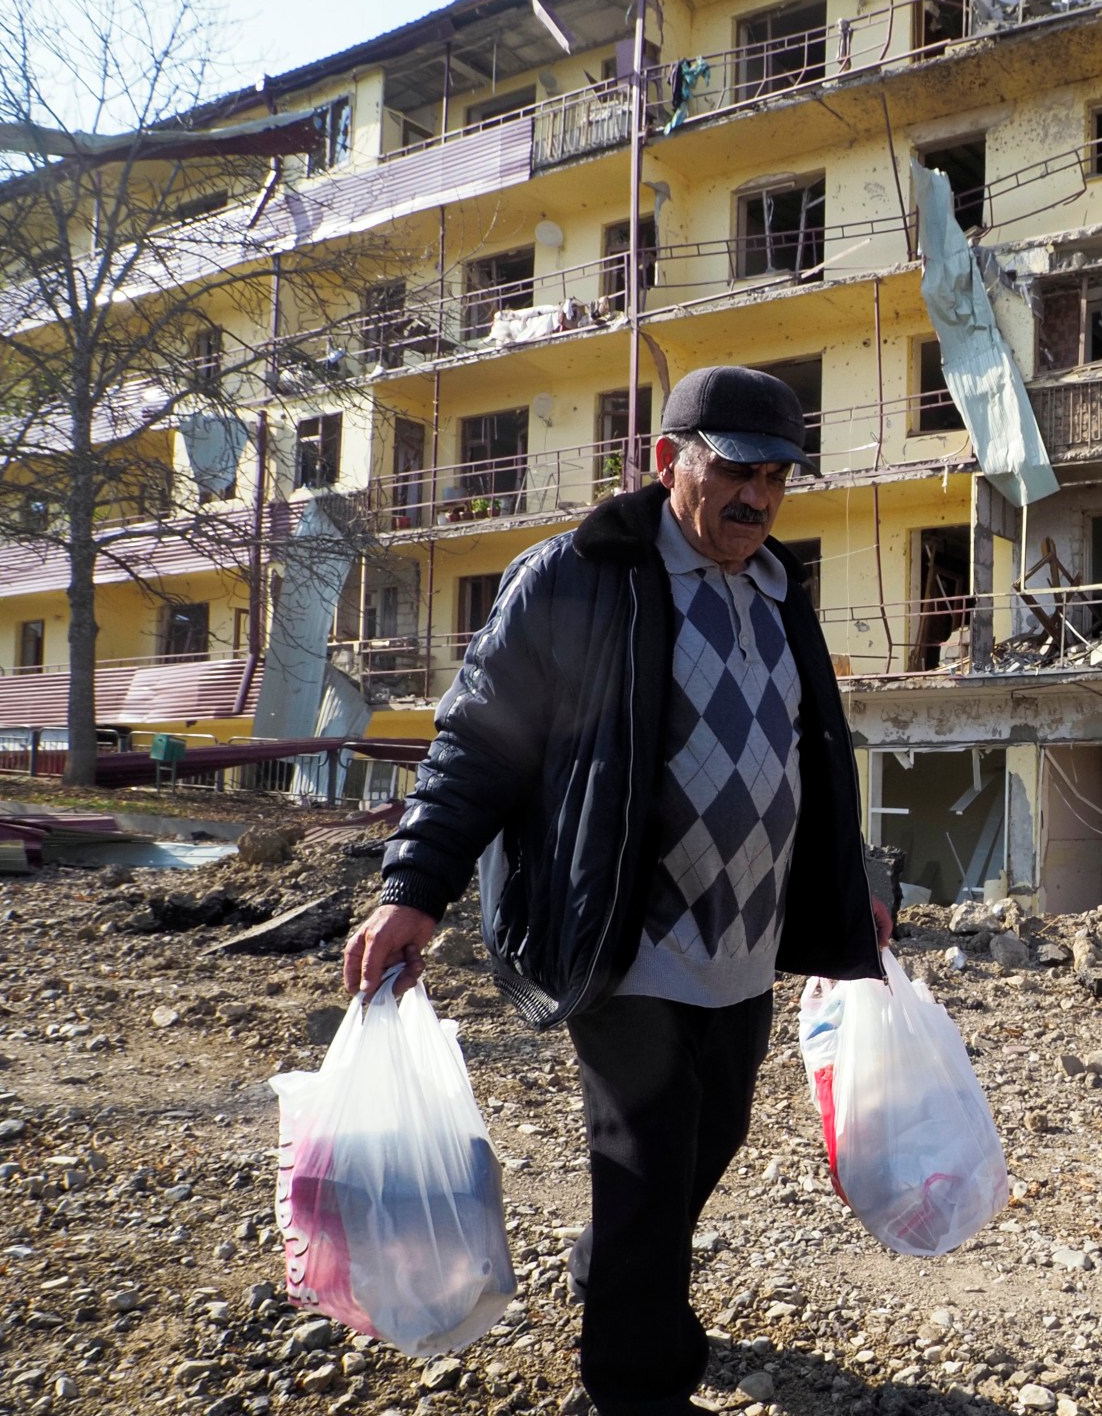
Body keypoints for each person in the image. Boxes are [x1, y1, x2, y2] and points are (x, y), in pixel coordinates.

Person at [344, 365, 890, 1416]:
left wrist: (853, 877)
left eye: (778, 477)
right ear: (666, 461)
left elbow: (814, 759)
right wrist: (412, 888)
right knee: (645, 1158)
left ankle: (612, 1273)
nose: (760, 498)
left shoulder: (781, 591)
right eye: (736, 471)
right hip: (624, 937)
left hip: (744, 939)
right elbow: (478, 741)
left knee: (712, 1133)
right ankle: (638, 1385)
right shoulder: (578, 577)